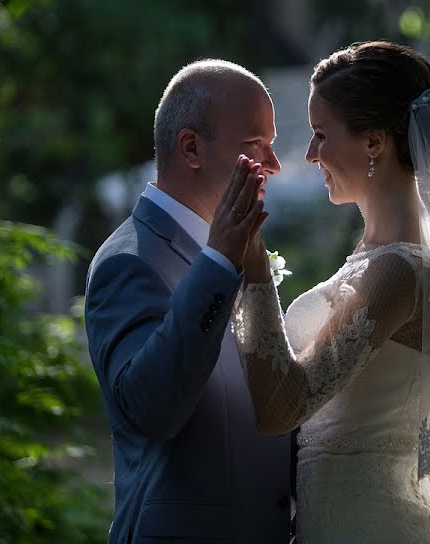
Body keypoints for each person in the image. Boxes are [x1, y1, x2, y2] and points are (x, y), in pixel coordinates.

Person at [230, 41, 430, 542]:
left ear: (374, 143)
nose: (310, 153)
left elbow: (281, 407)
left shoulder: (400, 273)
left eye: (321, 134)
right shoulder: (381, 263)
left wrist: (250, 259)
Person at [84, 60, 293, 543]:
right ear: (191, 148)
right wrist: (219, 263)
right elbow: (152, 409)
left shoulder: (241, 248)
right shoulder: (128, 261)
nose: (275, 164)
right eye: (254, 146)